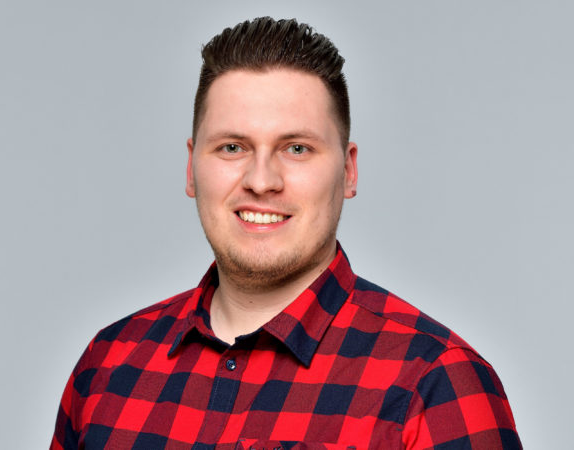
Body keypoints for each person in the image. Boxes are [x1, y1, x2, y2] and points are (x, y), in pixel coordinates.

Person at [51, 17, 521, 449]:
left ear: (348, 171)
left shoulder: (435, 383)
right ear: (192, 168)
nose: (261, 180)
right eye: (232, 147)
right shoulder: (107, 365)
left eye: (296, 148)